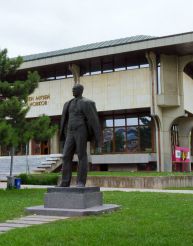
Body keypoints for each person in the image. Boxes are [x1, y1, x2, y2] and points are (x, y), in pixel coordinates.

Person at [59, 84, 100, 187]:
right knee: (66, 156)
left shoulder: (87, 103)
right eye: (72, 89)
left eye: (75, 89)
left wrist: (97, 138)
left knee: (81, 155)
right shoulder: (67, 104)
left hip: (81, 130)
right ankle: (65, 182)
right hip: (70, 132)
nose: (73, 91)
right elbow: (65, 120)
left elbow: (94, 121)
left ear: (81, 90)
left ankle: (81, 182)